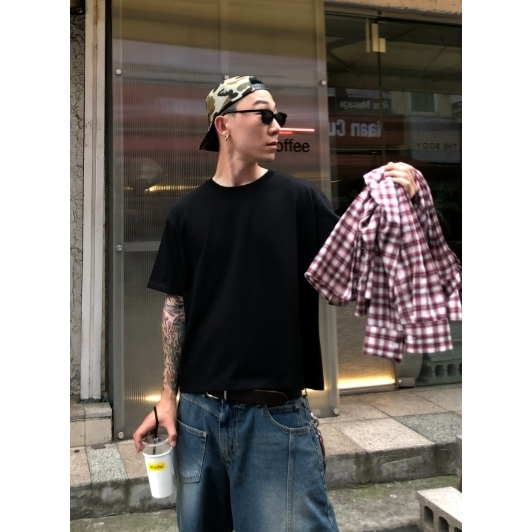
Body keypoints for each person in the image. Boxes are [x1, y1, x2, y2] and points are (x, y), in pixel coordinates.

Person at [133, 75, 418, 532]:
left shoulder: (300, 201)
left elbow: (355, 277)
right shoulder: (186, 213)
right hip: (198, 417)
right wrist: (167, 399)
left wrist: (398, 207)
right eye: (264, 114)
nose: (276, 126)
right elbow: (176, 310)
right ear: (223, 124)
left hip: (275, 420)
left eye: (278, 116)